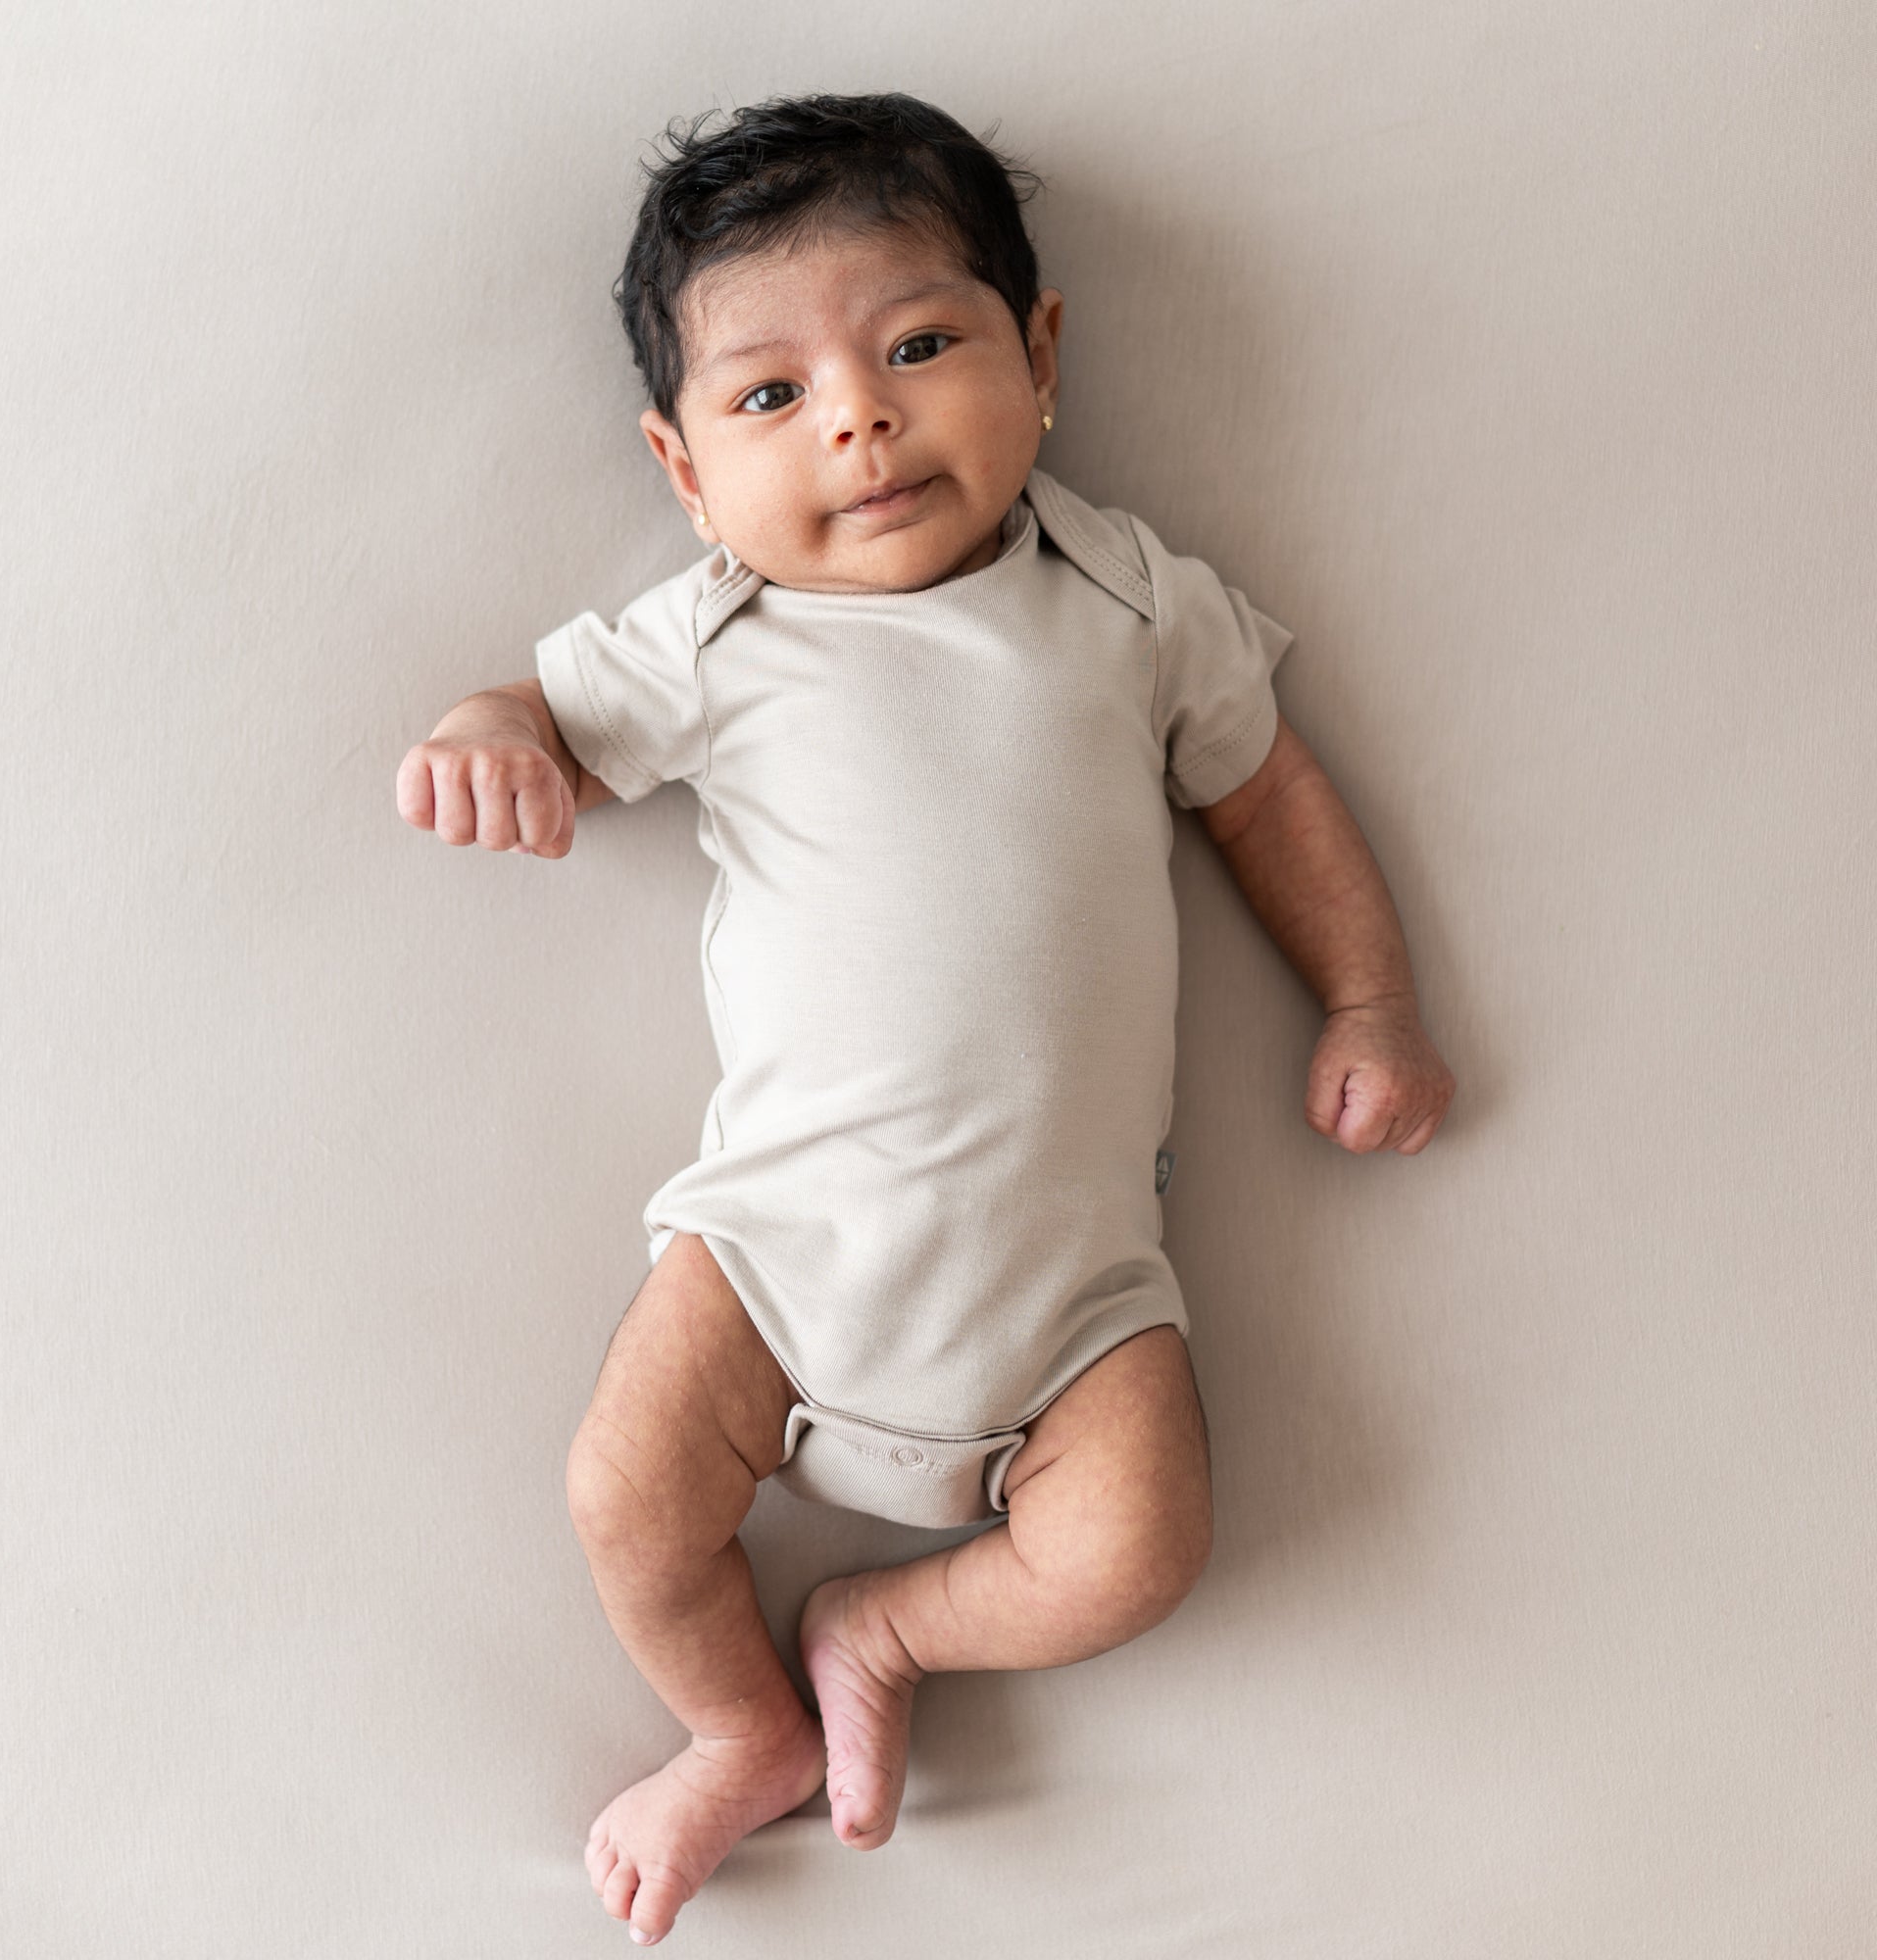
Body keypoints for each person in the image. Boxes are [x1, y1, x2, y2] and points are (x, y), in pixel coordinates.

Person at [395, 90, 1456, 1948]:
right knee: (626, 1494)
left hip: (1075, 1308)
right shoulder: (717, 637)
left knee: (1141, 1549)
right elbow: (544, 706)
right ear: (683, 469)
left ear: (1039, 358)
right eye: (771, 397)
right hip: (778, 1255)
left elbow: (1270, 795)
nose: (861, 417)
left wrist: (1368, 995)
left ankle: (881, 1630)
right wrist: (495, 736)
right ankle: (739, 1729)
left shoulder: (1126, 598)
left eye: (918, 344)